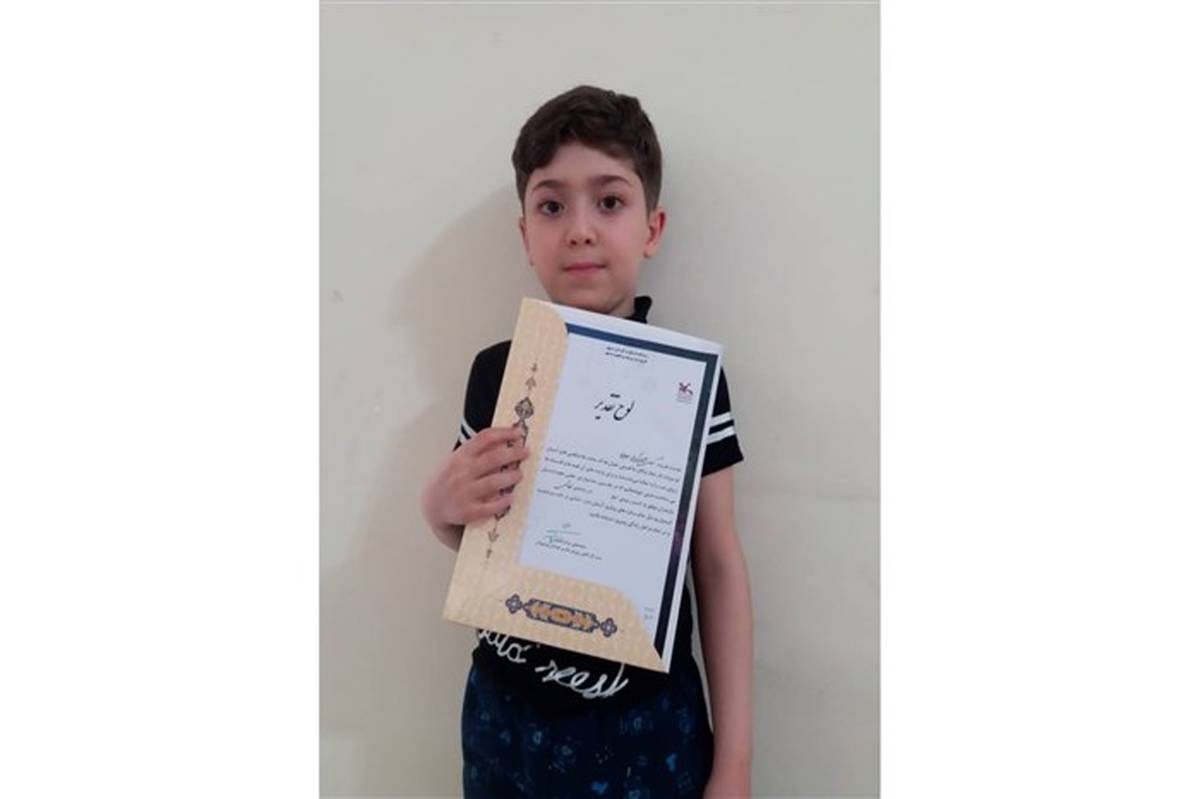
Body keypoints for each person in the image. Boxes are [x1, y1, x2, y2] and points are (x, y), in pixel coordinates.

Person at [420, 85, 753, 798]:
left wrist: (735, 765)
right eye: (552, 206)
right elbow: (481, 539)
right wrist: (438, 508)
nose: (579, 230)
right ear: (525, 235)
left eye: (609, 201)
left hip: (646, 727)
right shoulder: (498, 373)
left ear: (652, 228)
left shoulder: (689, 384)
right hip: (506, 720)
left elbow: (718, 564)